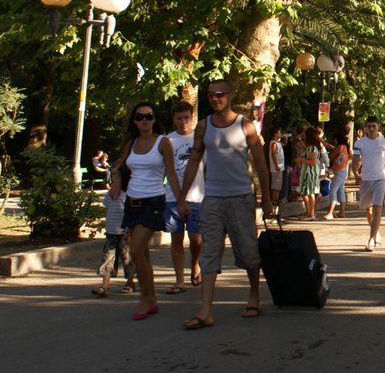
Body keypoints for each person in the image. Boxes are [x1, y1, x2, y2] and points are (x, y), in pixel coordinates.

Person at [177, 79, 274, 330]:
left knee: (248, 250)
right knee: (209, 253)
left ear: (230, 96)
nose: (214, 98)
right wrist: (182, 198)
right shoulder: (203, 127)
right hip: (212, 199)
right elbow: (194, 162)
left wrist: (266, 199)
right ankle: (206, 310)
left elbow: (262, 164)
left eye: (219, 93)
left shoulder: (246, 126)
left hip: (241, 198)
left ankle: (254, 294)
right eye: (210, 94)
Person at [108, 102, 183, 320]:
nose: (144, 119)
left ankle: (144, 299)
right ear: (134, 121)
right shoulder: (131, 143)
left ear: (154, 119)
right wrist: (115, 183)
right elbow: (122, 168)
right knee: (144, 254)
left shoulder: (163, 142)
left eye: (148, 116)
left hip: (153, 203)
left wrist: (180, 202)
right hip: (132, 202)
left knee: (136, 252)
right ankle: (152, 300)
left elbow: (171, 174)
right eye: (140, 116)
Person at [164, 101, 205, 294]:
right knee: (176, 238)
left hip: (197, 196)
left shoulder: (201, 139)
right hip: (172, 197)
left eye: (186, 117)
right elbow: (166, 170)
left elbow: (208, 167)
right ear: (174, 119)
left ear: (192, 117)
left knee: (196, 238)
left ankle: (195, 264)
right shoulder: (168, 141)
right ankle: (179, 279)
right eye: (179, 118)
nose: (183, 122)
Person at [352, 116, 385, 251]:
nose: (371, 129)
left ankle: (371, 240)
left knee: (377, 209)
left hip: (379, 179)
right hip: (366, 179)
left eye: (373, 126)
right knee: (369, 210)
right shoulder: (360, 143)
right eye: (369, 126)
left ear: (378, 127)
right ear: (365, 127)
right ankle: (375, 232)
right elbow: (355, 160)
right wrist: (355, 173)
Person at [91, 189, 136, 297]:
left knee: (127, 258)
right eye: (113, 175)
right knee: (107, 257)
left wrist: (130, 231)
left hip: (124, 232)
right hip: (111, 232)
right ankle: (105, 285)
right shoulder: (111, 192)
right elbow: (109, 209)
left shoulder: (130, 193)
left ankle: (130, 281)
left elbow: (132, 213)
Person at [294, 127, 321, 220]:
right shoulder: (310, 147)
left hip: (310, 174)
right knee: (304, 192)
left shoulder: (313, 148)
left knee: (310, 193)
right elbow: (305, 151)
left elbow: (313, 162)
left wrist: (301, 160)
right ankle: (308, 212)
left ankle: (311, 213)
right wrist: (300, 142)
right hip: (306, 173)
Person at [324, 131, 350, 219]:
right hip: (342, 169)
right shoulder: (345, 147)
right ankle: (341, 211)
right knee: (340, 190)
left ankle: (330, 212)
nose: (334, 141)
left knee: (333, 190)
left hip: (338, 170)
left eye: (334, 140)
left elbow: (331, 156)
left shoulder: (339, 147)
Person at [265, 126, 285, 205]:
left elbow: (284, 144)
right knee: (275, 184)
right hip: (276, 168)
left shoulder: (278, 143)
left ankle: (276, 198)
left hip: (280, 167)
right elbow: (273, 154)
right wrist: (276, 165)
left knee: (278, 185)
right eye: (279, 132)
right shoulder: (273, 143)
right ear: (275, 134)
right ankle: (274, 199)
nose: (280, 134)